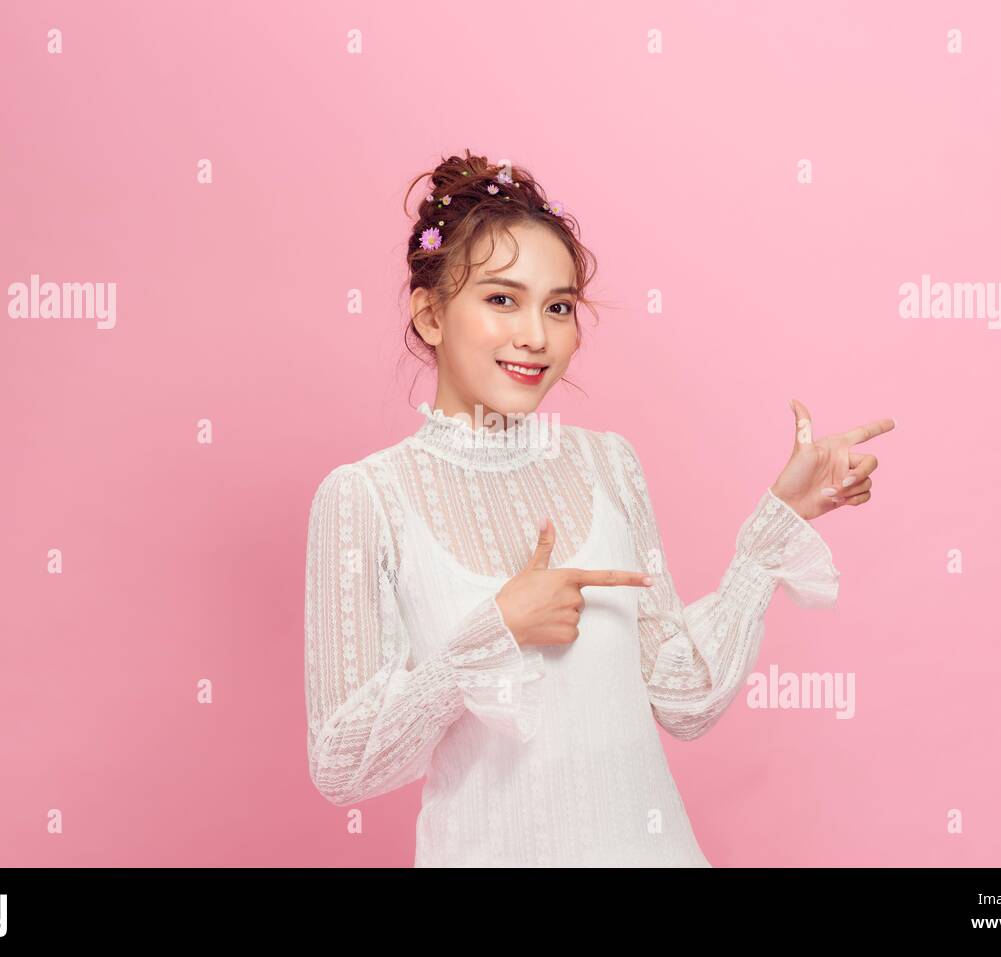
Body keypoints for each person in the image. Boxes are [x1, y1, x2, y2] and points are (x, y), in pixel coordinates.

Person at [303, 149, 895, 866]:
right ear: (430, 315)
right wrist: (495, 631)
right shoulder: (366, 497)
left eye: (558, 307)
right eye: (500, 299)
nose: (536, 335)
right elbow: (342, 763)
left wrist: (778, 523)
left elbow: (682, 698)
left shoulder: (609, 463)